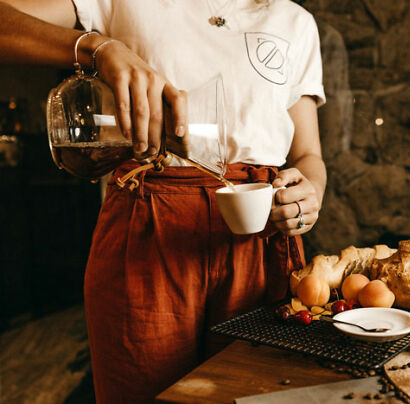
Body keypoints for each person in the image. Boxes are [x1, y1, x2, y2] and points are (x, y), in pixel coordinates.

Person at [0, 0, 326, 402]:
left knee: (256, 392)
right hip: (147, 227)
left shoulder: (294, 21)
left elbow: (308, 154)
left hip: (258, 235)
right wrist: (97, 48)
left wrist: (309, 192)